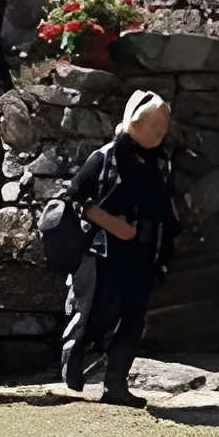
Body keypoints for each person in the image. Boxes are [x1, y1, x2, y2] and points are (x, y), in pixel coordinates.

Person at [59, 91, 176, 400]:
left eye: (163, 127)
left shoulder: (160, 163)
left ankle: (116, 384)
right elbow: (74, 199)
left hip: (144, 252)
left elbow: (164, 212)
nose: (159, 132)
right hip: (105, 253)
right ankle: (76, 357)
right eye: (153, 125)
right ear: (134, 123)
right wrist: (115, 226)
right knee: (100, 313)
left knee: (134, 318)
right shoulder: (105, 158)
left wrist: (163, 253)